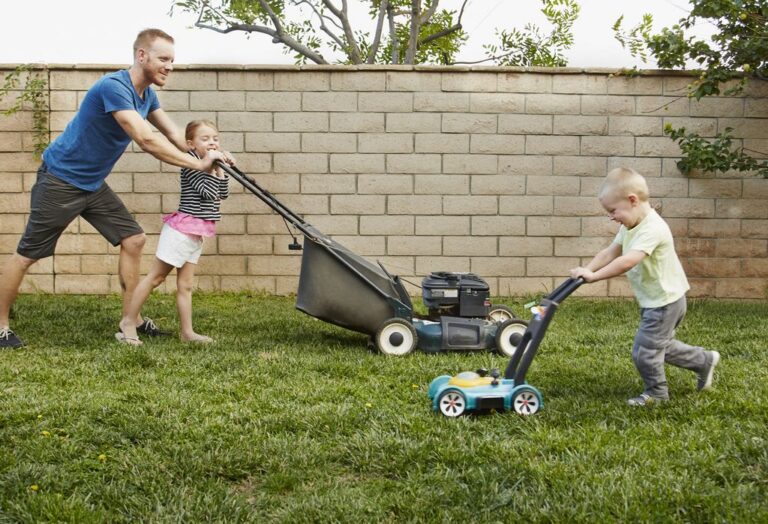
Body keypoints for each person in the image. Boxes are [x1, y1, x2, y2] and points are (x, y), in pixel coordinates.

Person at [0, 28, 230, 349]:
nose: (170, 66)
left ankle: (130, 320)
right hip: (61, 179)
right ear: (141, 56)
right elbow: (146, 139)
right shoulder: (114, 87)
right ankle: (1, 326)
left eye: (172, 60)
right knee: (27, 255)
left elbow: (175, 135)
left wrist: (211, 154)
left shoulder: (146, 95)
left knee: (133, 239)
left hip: (92, 184)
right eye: (163, 59)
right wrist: (197, 164)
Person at [569, 167, 720, 406]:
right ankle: (703, 360)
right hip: (659, 300)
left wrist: (594, 277)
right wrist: (586, 269)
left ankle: (657, 394)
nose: (611, 217)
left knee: (644, 352)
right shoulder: (629, 225)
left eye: (613, 211)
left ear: (632, 200)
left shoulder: (653, 228)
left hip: (665, 302)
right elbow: (611, 252)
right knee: (661, 346)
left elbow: (627, 261)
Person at [117, 120, 229, 345]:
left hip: (195, 233)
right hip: (181, 232)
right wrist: (216, 167)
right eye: (204, 139)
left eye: (215, 138)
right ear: (191, 143)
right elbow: (209, 192)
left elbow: (222, 193)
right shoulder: (192, 164)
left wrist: (223, 169)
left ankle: (187, 333)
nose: (212, 143)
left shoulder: (209, 164)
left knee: (185, 285)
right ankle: (128, 322)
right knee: (155, 278)